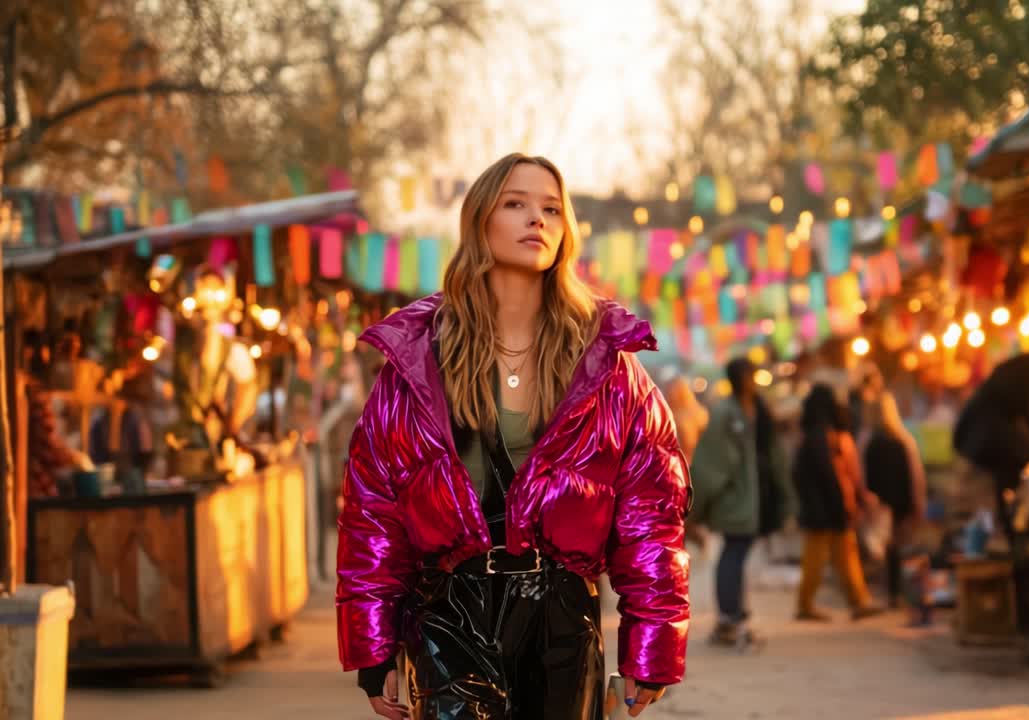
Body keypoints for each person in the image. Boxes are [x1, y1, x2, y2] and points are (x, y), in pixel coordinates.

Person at [336, 154, 690, 719]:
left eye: (552, 207)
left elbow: (651, 511)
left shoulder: (606, 363)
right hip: (448, 613)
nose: (537, 219)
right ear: (481, 221)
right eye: (516, 203)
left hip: (562, 620)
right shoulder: (417, 361)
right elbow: (373, 508)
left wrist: (651, 645)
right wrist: (373, 647)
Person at [689, 357, 791, 647]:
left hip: (756, 495)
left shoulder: (759, 409)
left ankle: (735, 613)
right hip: (735, 497)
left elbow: (772, 453)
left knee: (738, 552)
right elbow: (713, 463)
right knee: (733, 551)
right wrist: (697, 508)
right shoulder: (725, 413)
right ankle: (729, 616)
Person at [952, 351, 1029, 541]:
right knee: (1018, 465)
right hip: (983, 437)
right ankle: (1008, 528)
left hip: (980, 437)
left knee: (1016, 467)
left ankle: (1008, 524)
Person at [791, 383, 881, 621]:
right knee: (821, 560)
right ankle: (807, 605)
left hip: (824, 509)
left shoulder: (814, 434)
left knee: (843, 557)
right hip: (827, 510)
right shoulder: (821, 435)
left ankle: (858, 601)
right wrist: (842, 504)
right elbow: (830, 474)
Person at [862, 392, 927, 607]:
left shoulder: (871, 441)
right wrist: (916, 502)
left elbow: (866, 476)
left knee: (885, 549)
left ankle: (892, 591)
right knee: (897, 548)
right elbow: (914, 476)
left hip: (880, 504)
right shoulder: (903, 440)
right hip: (900, 502)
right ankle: (897, 592)